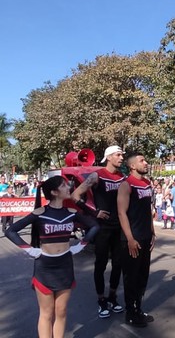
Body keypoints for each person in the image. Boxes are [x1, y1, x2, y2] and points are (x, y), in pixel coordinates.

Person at [6, 176, 100, 338]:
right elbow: (10, 231)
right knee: (47, 313)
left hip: (65, 266)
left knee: (61, 311)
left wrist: (81, 245)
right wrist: (29, 250)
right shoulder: (40, 213)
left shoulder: (71, 213)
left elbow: (94, 226)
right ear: (54, 192)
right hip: (44, 267)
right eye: (64, 186)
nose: (68, 187)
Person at [71, 145, 126, 318]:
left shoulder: (122, 177)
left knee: (118, 264)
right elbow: (75, 195)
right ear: (109, 157)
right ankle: (101, 300)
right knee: (101, 264)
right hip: (103, 227)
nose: (122, 158)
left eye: (122, 155)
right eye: (118, 155)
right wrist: (94, 212)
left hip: (119, 227)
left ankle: (112, 297)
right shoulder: (97, 176)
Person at [117, 152, 156, 327]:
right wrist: (130, 239)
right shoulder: (126, 185)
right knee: (131, 278)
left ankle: (138, 308)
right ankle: (130, 313)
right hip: (132, 240)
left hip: (146, 237)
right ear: (132, 166)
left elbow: (148, 210)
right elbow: (121, 212)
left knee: (142, 276)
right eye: (142, 160)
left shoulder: (146, 184)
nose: (146, 162)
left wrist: (152, 232)